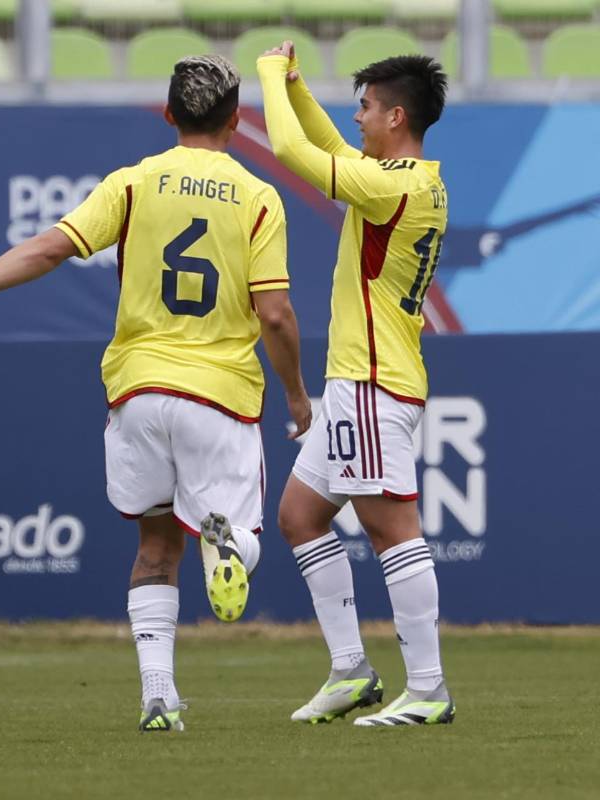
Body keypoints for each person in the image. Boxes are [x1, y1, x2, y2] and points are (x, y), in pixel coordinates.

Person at [0, 57, 310, 733]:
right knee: (236, 532)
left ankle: (157, 697)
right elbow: (275, 315)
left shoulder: (134, 183)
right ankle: (226, 545)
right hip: (219, 394)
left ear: (169, 114)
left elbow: (48, 249)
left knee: (154, 547)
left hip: (139, 390)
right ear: (238, 119)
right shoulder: (259, 196)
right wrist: (295, 394)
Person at [257, 45, 454, 726]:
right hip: (358, 382)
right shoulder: (411, 178)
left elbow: (287, 144)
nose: (358, 116)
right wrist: (297, 83)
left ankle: (427, 688)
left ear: (396, 116)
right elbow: (328, 141)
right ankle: (351, 672)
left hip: (372, 382)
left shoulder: (387, 186)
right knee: (300, 517)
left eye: (366, 106)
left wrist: (263, 74)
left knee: (390, 529)